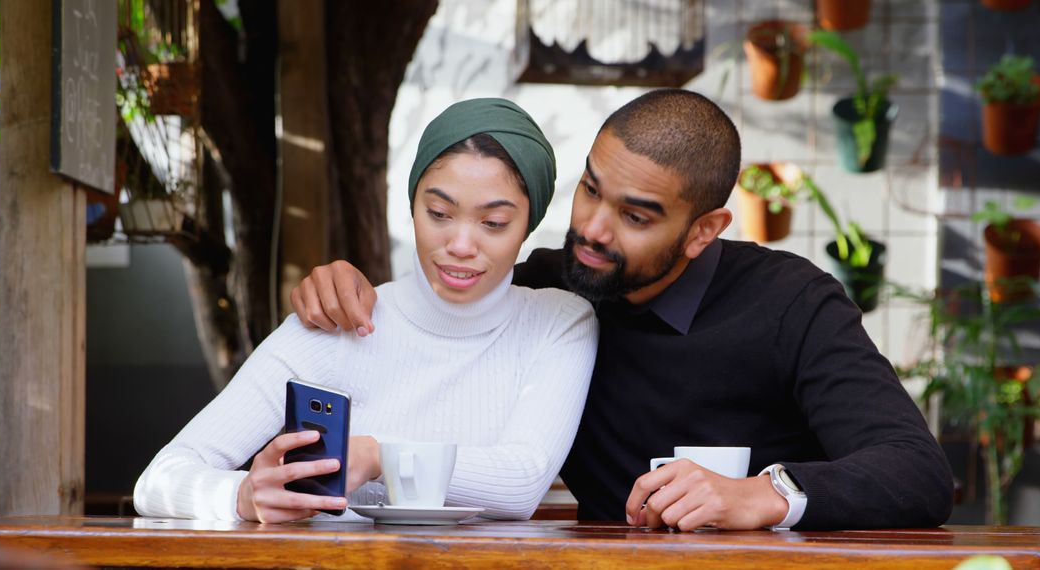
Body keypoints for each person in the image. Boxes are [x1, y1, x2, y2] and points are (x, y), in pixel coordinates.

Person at [289, 88, 955, 531]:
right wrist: (344, 286)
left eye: (635, 216)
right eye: (589, 189)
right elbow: (431, 316)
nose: (594, 229)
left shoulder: (790, 301)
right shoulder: (550, 287)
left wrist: (764, 494)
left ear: (703, 230)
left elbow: (917, 470)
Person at [134, 98, 598, 523]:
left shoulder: (558, 323)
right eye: (438, 213)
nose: (460, 245)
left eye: (494, 223)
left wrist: (379, 456)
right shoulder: (337, 319)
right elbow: (160, 480)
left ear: (527, 225)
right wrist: (241, 496)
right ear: (413, 203)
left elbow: (522, 483)